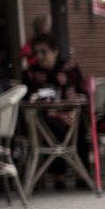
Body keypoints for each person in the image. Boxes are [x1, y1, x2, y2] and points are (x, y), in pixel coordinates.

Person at [24, 32, 92, 189]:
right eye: (36, 53)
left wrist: (76, 98)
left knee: (79, 125)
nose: (40, 56)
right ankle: (58, 175)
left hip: (70, 114)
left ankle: (82, 175)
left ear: (54, 51)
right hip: (44, 116)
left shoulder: (69, 68)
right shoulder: (30, 73)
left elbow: (83, 93)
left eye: (44, 52)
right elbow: (28, 99)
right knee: (52, 127)